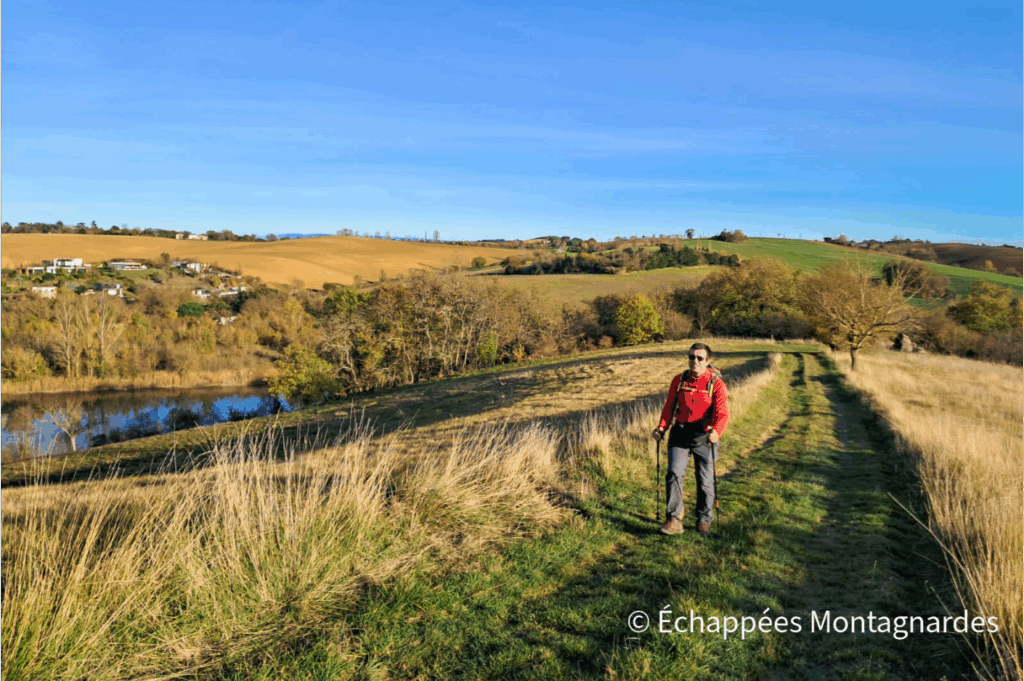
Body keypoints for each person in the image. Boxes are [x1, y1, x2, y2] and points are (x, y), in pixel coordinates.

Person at [652, 343, 729, 537]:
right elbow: (669, 407)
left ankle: (704, 520)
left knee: (705, 481)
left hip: (705, 437)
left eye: (700, 358)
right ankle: (674, 519)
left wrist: (716, 432)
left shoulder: (716, 384)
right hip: (680, 433)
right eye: (691, 357)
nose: (695, 361)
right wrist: (661, 427)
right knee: (674, 474)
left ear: (707, 361)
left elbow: (722, 413)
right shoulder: (679, 381)